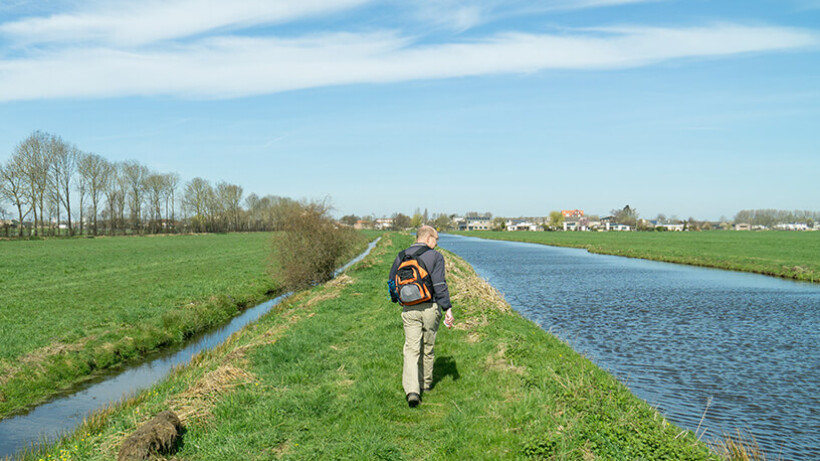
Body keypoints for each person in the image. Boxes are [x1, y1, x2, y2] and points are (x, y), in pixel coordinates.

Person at [388, 225, 454, 408]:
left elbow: (391, 281)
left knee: (411, 348)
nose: (437, 244)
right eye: (436, 240)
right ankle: (425, 384)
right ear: (428, 238)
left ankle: (412, 390)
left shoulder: (401, 256)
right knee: (428, 346)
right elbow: (440, 284)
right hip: (430, 307)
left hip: (409, 309)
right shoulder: (436, 256)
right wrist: (447, 308)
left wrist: (398, 300)